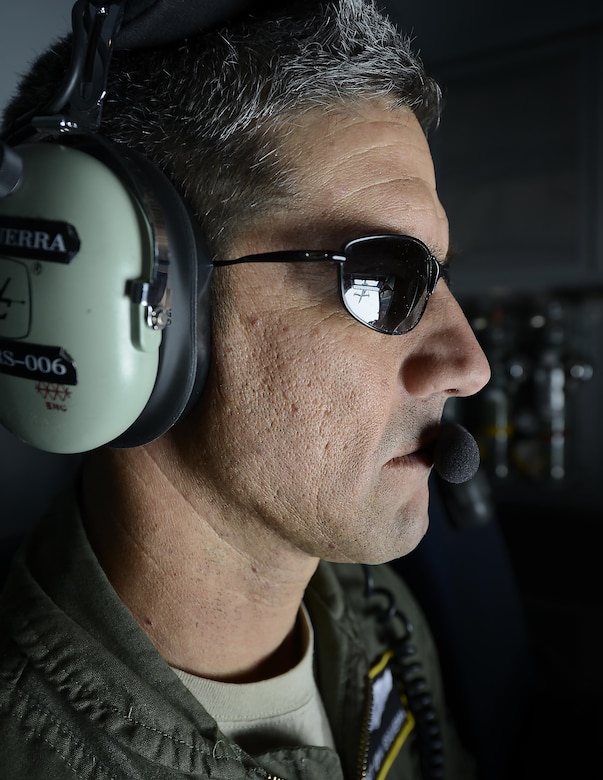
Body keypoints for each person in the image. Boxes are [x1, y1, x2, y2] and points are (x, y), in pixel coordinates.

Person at [0, 0, 491, 778]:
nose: (468, 364)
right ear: (151, 316)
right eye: (382, 278)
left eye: (438, 277)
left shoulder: (378, 617)